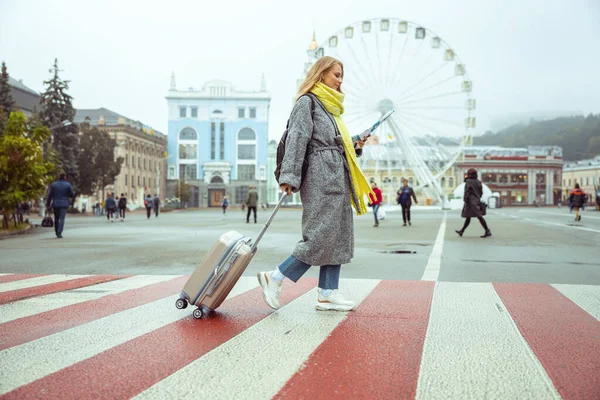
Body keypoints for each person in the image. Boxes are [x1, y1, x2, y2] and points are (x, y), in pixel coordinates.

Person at [257, 56, 373, 311]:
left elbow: (333, 142)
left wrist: (354, 144)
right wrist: (289, 176)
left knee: (338, 236)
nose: (340, 81)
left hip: (337, 174)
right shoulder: (307, 102)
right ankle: (274, 277)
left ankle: (328, 292)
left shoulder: (331, 109)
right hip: (321, 177)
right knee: (319, 237)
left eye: (342, 76)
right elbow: (298, 138)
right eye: (336, 75)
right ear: (321, 74)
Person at [455, 168, 492, 238]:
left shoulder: (468, 181)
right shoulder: (478, 182)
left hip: (470, 202)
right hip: (476, 201)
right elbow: (481, 192)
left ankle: (487, 230)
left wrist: (465, 199)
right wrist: (477, 197)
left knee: (478, 217)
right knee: (469, 217)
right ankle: (462, 231)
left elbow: (467, 191)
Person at [45, 171, 74, 238]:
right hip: (64, 204)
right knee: (62, 218)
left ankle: (56, 231)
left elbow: (50, 195)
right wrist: (69, 196)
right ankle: (59, 232)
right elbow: (71, 194)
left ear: (58, 176)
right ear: (65, 177)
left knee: (56, 218)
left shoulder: (54, 184)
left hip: (56, 204)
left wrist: (48, 204)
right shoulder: (68, 185)